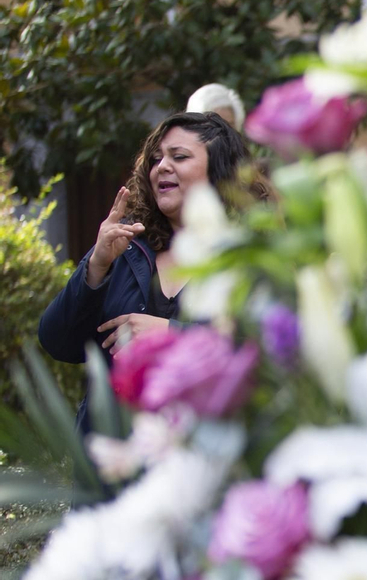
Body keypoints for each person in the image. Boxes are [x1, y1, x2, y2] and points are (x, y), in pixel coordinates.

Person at [38, 112, 255, 431]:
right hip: (115, 459)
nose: (162, 166)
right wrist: (95, 267)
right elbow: (58, 341)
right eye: (155, 159)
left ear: (218, 169)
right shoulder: (126, 245)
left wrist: (172, 333)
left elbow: (263, 353)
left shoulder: (249, 251)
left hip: (206, 450)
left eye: (179, 157)